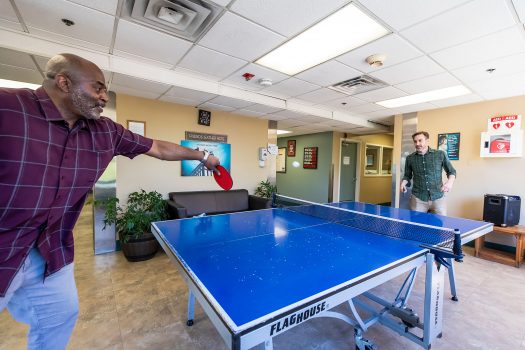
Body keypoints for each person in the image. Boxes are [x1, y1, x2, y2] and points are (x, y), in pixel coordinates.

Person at [0, 53, 220, 349]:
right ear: (63, 82)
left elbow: (159, 148)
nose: (104, 97)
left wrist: (203, 156)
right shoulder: (8, 107)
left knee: (60, 317)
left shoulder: (106, 131)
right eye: (97, 88)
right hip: (5, 245)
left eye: (105, 91)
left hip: (51, 250)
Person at [399, 131, 456, 215]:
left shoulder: (440, 154)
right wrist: (403, 183)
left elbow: (451, 171)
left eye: (420, 140)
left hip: (438, 198)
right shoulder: (410, 158)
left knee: (439, 226)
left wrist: (450, 183)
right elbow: (407, 175)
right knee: (417, 226)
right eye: (415, 141)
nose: (417, 143)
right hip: (418, 199)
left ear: (427, 140)